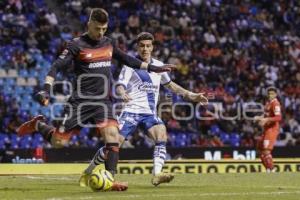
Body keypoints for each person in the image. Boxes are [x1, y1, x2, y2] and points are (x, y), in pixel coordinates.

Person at [17, 8, 173, 191]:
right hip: (80, 103)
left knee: (113, 137)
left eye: (104, 29)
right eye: (97, 28)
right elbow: (55, 67)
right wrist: (46, 90)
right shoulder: (76, 45)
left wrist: (153, 69)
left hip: (102, 102)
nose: (100, 33)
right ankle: (38, 125)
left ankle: (110, 178)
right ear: (89, 24)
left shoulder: (108, 43)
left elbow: (128, 59)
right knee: (59, 142)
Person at [79, 32, 208, 187]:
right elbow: (120, 85)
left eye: (148, 46)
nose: (145, 49)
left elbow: (171, 85)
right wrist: (122, 93)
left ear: (152, 47)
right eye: (142, 46)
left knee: (161, 133)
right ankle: (88, 171)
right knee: (113, 145)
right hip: (131, 111)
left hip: (149, 114)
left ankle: (157, 174)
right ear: (137, 47)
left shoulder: (159, 66)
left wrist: (192, 95)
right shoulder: (130, 65)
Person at [254, 86, 282, 172]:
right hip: (266, 129)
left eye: (272, 93)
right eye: (269, 93)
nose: (270, 95)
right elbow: (266, 115)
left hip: (272, 129)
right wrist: (259, 117)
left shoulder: (275, 104)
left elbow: (278, 117)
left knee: (266, 150)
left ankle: (272, 169)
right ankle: (268, 169)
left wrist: (266, 119)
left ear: (276, 94)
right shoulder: (268, 103)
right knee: (259, 148)